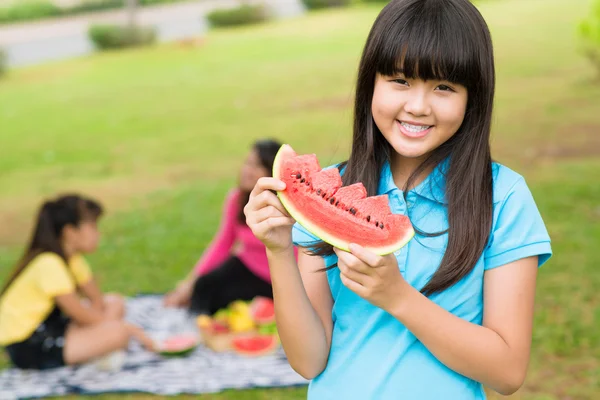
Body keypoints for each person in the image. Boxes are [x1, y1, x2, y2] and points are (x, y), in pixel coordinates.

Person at [243, 0, 553, 399]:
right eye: (400, 81)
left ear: (472, 98)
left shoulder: (503, 198)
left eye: (444, 87)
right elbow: (309, 360)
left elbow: (508, 372)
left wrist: (399, 298)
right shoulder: (332, 191)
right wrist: (279, 251)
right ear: (370, 83)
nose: (418, 106)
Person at [0, 194, 155, 370]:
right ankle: (100, 349)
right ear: (70, 232)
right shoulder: (49, 264)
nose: (98, 233)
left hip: (54, 326)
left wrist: (101, 324)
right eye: (92, 227)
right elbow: (81, 315)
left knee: (114, 302)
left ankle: (98, 347)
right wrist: (128, 329)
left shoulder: (72, 259)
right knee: (118, 333)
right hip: (29, 345)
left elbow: (97, 300)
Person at [164, 139, 296, 315]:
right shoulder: (236, 198)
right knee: (203, 287)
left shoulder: (288, 206)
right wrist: (189, 283)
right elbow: (223, 244)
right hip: (246, 266)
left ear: (272, 172)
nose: (247, 171)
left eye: (256, 166)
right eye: (247, 163)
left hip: (278, 277)